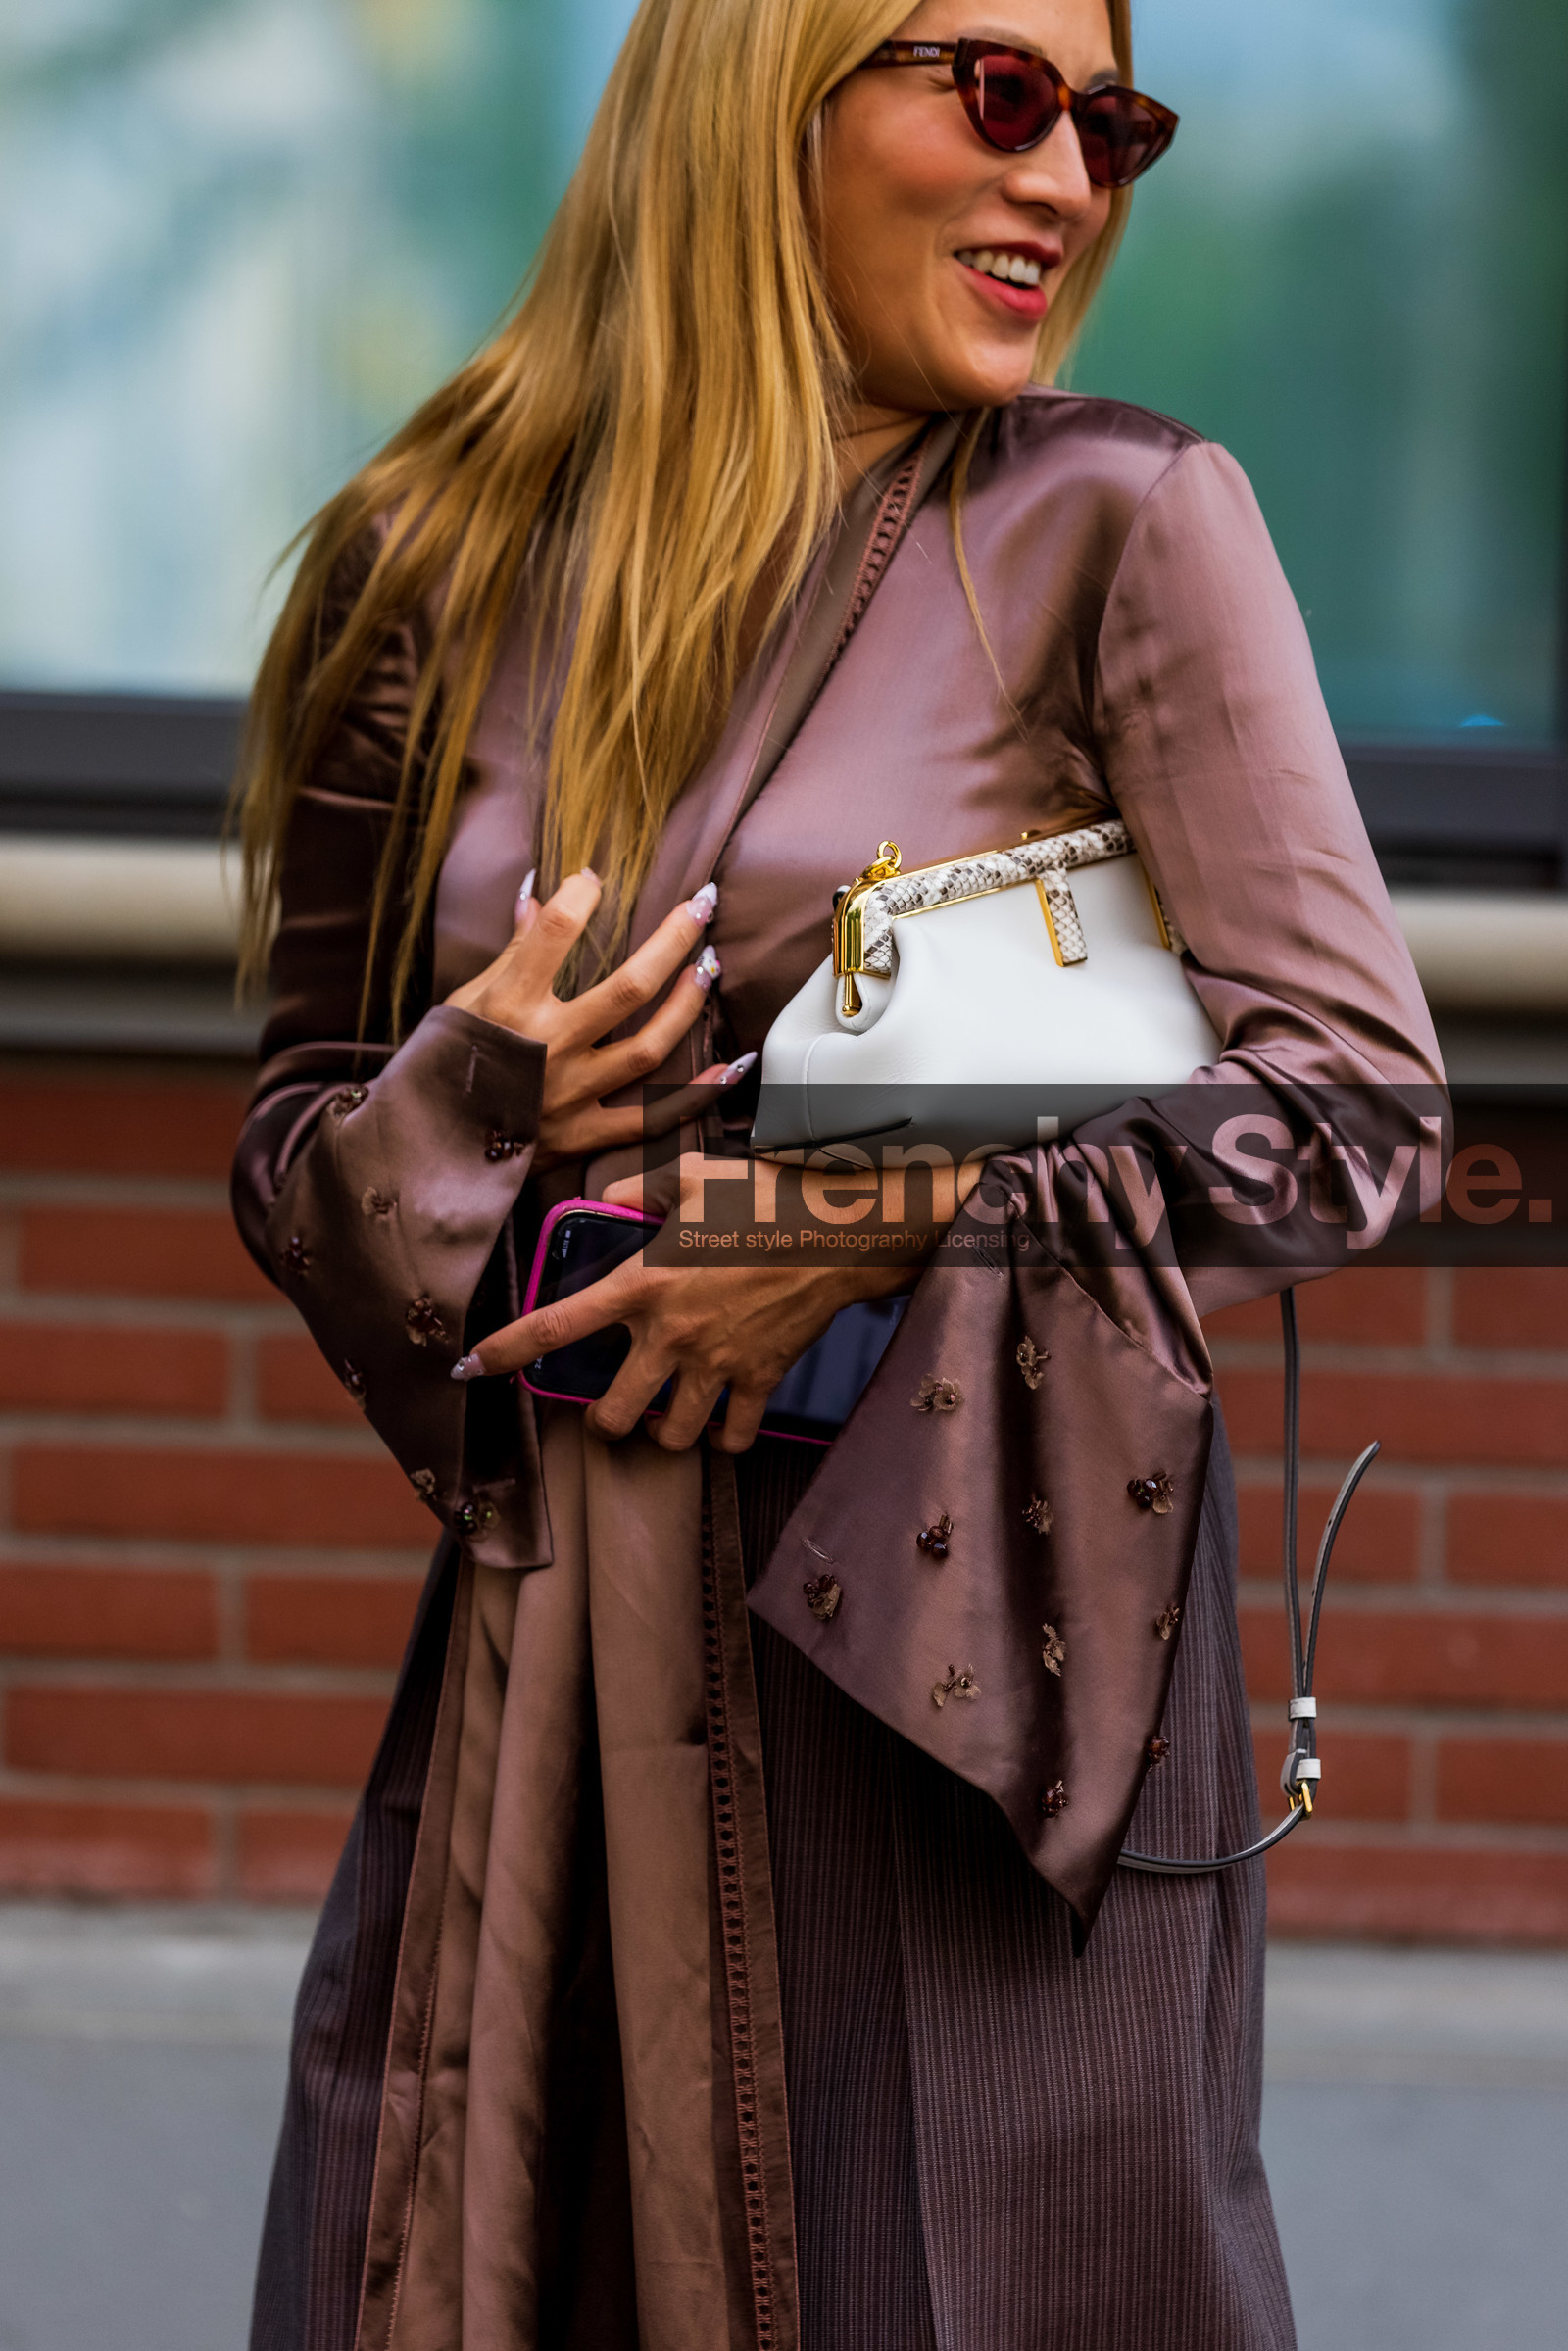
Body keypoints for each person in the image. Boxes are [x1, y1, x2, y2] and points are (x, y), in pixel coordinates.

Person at [233, 2, 1443, 2346]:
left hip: (964, 1670)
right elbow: (300, 1152)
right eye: (988, 93)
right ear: (753, 94)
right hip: (549, 1683)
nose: (1062, 182)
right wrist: (477, 1099)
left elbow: (1353, 1106)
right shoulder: (441, 553)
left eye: (1104, 123)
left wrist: (845, 1210)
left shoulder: (1114, 514)